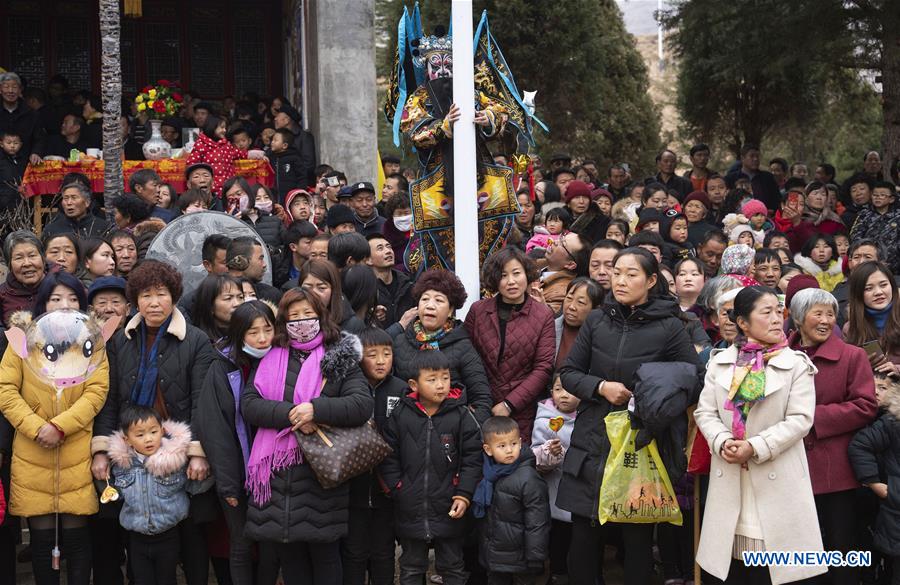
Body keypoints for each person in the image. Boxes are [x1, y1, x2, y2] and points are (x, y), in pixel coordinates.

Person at [559, 247, 700, 585]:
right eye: (616, 272)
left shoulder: (670, 326)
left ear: (651, 280)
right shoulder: (596, 319)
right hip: (593, 438)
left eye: (631, 274)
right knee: (584, 537)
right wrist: (601, 386)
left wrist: (652, 394)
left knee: (636, 540)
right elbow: (569, 372)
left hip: (640, 443)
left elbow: (694, 378)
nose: (620, 281)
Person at [91, 260, 217, 585]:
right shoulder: (121, 341)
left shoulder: (196, 340)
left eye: (161, 294)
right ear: (136, 300)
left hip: (178, 453)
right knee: (138, 536)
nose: (154, 302)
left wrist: (199, 451)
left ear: (173, 296)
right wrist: (102, 450)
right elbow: (110, 399)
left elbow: (203, 400)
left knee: (191, 540)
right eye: (146, 295)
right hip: (131, 453)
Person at [695, 286, 826, 584]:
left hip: (777, 477)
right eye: (765, 312)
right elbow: (705, 412)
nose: (776, 319)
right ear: (743, 322)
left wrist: (754, 446)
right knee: (733, 567)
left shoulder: (796, 365)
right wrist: (723, 441)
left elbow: (800, 420)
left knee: (776, 569)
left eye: (778, 311)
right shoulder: (720, 362)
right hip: (731, 477)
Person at [240, 288, 371, 585]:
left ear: (321, 316)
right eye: (294, 316)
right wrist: (292, 414)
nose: (301, 322)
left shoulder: (339, 355)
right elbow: (250, 403)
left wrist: (316, 409)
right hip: (276, 474)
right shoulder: (270, 355)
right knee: (290, 557)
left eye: (308, 315)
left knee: (326, 556)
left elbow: (361, 404)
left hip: (321, 474)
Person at [0, 269, 109, 585]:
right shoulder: (22, 342)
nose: (65, 304)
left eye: (73, 298)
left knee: (77, 538)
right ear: (42, 304)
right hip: (32, 449)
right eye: (56, 298)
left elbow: (97, 391)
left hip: (75, 447)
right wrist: (36, 427)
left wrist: (61, 426)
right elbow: (6, 390)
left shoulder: (92, 342)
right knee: (42, 538)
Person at [786, 288, 878, 585]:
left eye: (831, 314)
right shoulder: (781, 357)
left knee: (841, 546)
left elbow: (866, 405)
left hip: (837, 469)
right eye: (818, 313)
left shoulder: (853, 356)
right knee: (799, 549)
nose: (826, 320)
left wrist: (809, 419)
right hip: (791, 466)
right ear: (799, 319)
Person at [378, 350, 482, 585]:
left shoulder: (461, 414)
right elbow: (388, 454)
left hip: (449, 504)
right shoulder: (401, 414)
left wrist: (464, 494)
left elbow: (472, 458)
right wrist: (397, 488)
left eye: (445, 377)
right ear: (414, 384)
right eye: (432, 379)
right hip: (410, 505)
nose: (440, 385)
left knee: (452, 565)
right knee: (411, 566)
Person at [198, 300, 276, 585]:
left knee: (270, 545)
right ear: (239, 334)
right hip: (238, 472)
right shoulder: (223, 367)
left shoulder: (281, 360)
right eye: (253, 332)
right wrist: (229, 484)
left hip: (273, 473)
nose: (262, 338)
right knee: (241, 542)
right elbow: (215, 430)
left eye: (267, 329)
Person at [107, 405, 212, 585]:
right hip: (137, 539)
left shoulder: (174, 461)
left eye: (153, 432)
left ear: (162, 431)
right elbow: (118, 494)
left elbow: (195, 486)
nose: (148, 439)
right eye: (140, 435)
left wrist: (205, 470)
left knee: (167, 579)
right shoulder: (122, 465)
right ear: (127, 440)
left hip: (168, 537)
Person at [465, 247, 556, 444]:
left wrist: (509, 404)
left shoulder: (543, 315)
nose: (511, 281)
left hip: (521, 410)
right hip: (479, 405)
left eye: (517, 273)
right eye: (503, 275)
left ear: (527, 274)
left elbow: (543, 367)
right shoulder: (478, 311)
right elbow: (465, 357)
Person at [342, 327, 406, 585]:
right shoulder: (349, 388)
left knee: (383, 552)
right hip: (353, 488)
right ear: (359, 358)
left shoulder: (400, 389)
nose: (381, 361)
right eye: (372, 354)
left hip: (387, 489)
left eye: (387, 354)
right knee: (353, 553)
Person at [391, 269, 493, 423]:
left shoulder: (462, 345)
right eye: (425, 299)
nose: (430, 306)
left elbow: (481, 398)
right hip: (407, 429)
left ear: (451, 310)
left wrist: (467, 433)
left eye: (438, 300)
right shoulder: (400, 342)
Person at [473, 416, 550, 585]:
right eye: (502, 446)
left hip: (522, 557)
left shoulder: (528, 478)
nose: (509, 450)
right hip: (495, 555)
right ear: (488, 449)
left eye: (513, 444)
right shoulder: (486, 474)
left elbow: (537, 521)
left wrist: (535, 557)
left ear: (521, 442)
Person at [848, 372, 900, 584]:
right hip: (884, 503)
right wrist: (875, 483)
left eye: (883, 388)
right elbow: (860, 446)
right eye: (873, 387)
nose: (876, 392)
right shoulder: (888, 422)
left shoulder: (891, 419)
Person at [531, 375, 579, 583]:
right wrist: (550, 453)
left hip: (580, 487)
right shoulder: (544, 421)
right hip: (555, 487)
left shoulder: (588, 418)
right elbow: (536, 459)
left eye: (571, 390)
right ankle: (557, 572)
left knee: (579, 535)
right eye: (559, 389)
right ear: (551, 392)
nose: (564, 395)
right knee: (558, 533)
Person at [845, 261, 900, 373]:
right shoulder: (850, 328)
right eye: (869, 288)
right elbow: (846, 371)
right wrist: (862, 365)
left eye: (883, 285)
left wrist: (897, 369)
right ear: (858, 294)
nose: (878, 292)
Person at [366, 233, 416, 332]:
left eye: (388, 247)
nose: (388, 251)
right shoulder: (366, 291)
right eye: (380, 248)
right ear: (368, 260)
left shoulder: (408, 284)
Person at [554, 277, 604, 370]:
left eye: (580, 302)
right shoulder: (549, 327)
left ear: (596, 309)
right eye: (569, 298)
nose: (571, 306)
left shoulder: (600, 337)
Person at [851, 180, 900, 274]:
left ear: (892, 199)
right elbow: (855, 237)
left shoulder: (897, 216)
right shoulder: (864, 214)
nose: (878, 198)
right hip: (868, 263)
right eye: (875, 195)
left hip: (895, 266)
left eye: (882, 195)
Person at [0, 231, 47, 326]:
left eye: (32, 255)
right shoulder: (2, 295)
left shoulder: (61, 288)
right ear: (9, 265)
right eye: (19, 258)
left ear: (43, 259)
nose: (27, 263)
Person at [537, 232, 590, 314]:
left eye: (562, 244)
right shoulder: (535, 266)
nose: (555, 241)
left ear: (570, 264)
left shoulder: (562, 293)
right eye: (561, 237)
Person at [42, 180, 112, 239]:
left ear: (87, 202)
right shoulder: (51, 230)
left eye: (74, 197)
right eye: (66, 198)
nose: (69, 203)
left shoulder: (104, 228)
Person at [0, 72, 45, 161]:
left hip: (24, 159)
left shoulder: (31, 113)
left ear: (20, 90)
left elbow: (39, 138)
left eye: (14, 87)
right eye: (6, 87)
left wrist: (36, 152)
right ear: (0, 89)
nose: (10, 91)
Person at [225, 236, 281, 306]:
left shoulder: (271, 296)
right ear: (241, 261)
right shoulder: (215, 293)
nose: (264, 265)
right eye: (260, 259)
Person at [725, 144, 781, 212]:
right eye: (752, 156)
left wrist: (771, 211)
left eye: (757, 156)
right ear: (742, 158)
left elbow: (777, 199)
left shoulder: (767, 178)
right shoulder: (731, 178)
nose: (755, 159)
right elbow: (727, 202)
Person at [191, 274, 245, 342]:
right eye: (228, 298)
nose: (237, 304)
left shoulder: (248, 333)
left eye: (240, 297)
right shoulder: (198, 342)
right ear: (210, 305)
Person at [275, 220, 318, 289]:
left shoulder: (320, 264)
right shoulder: (278, 265)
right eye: (308, 242)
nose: (314, 245)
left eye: (315, 241)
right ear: (293, 247)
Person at [564, 180, 609, 244]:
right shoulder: (560, 219)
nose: (581, 201)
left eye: (585, 197)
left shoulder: (602, 221)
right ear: (568, 203)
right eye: (577, 197)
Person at [268, 128, 306, 203]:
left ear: (284, 145)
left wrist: (298, 194)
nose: (272, 142)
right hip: (273, 198)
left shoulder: (294, 158)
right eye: (272, 140)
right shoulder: (270, 157)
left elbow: (302, 177)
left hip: (291, 198)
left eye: (275, 140)